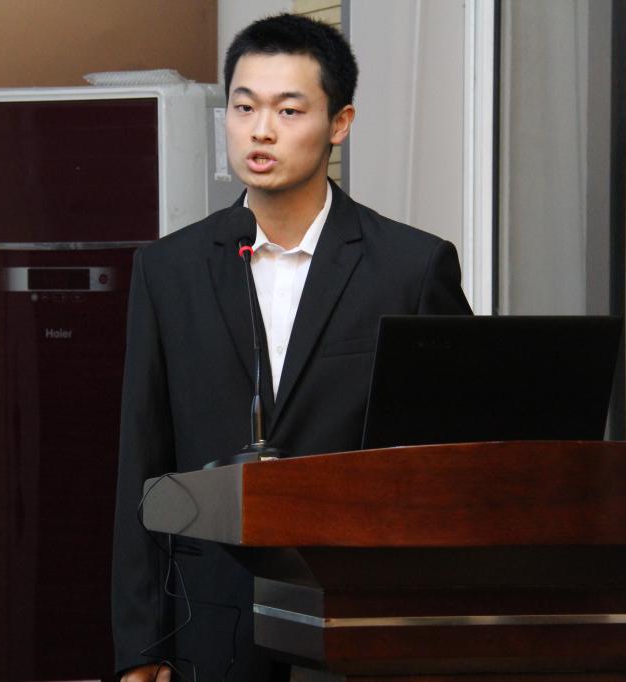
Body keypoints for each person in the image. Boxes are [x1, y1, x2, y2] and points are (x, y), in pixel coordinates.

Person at [112, 13, 472, 682]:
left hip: (359, 620)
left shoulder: (410, 268)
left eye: (288, 109)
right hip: (209, 622)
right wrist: (141, 646)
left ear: (340, 123)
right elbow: (144, 457)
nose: (261, 130)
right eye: (244, 107)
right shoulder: (168, 270)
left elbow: (450, 463)